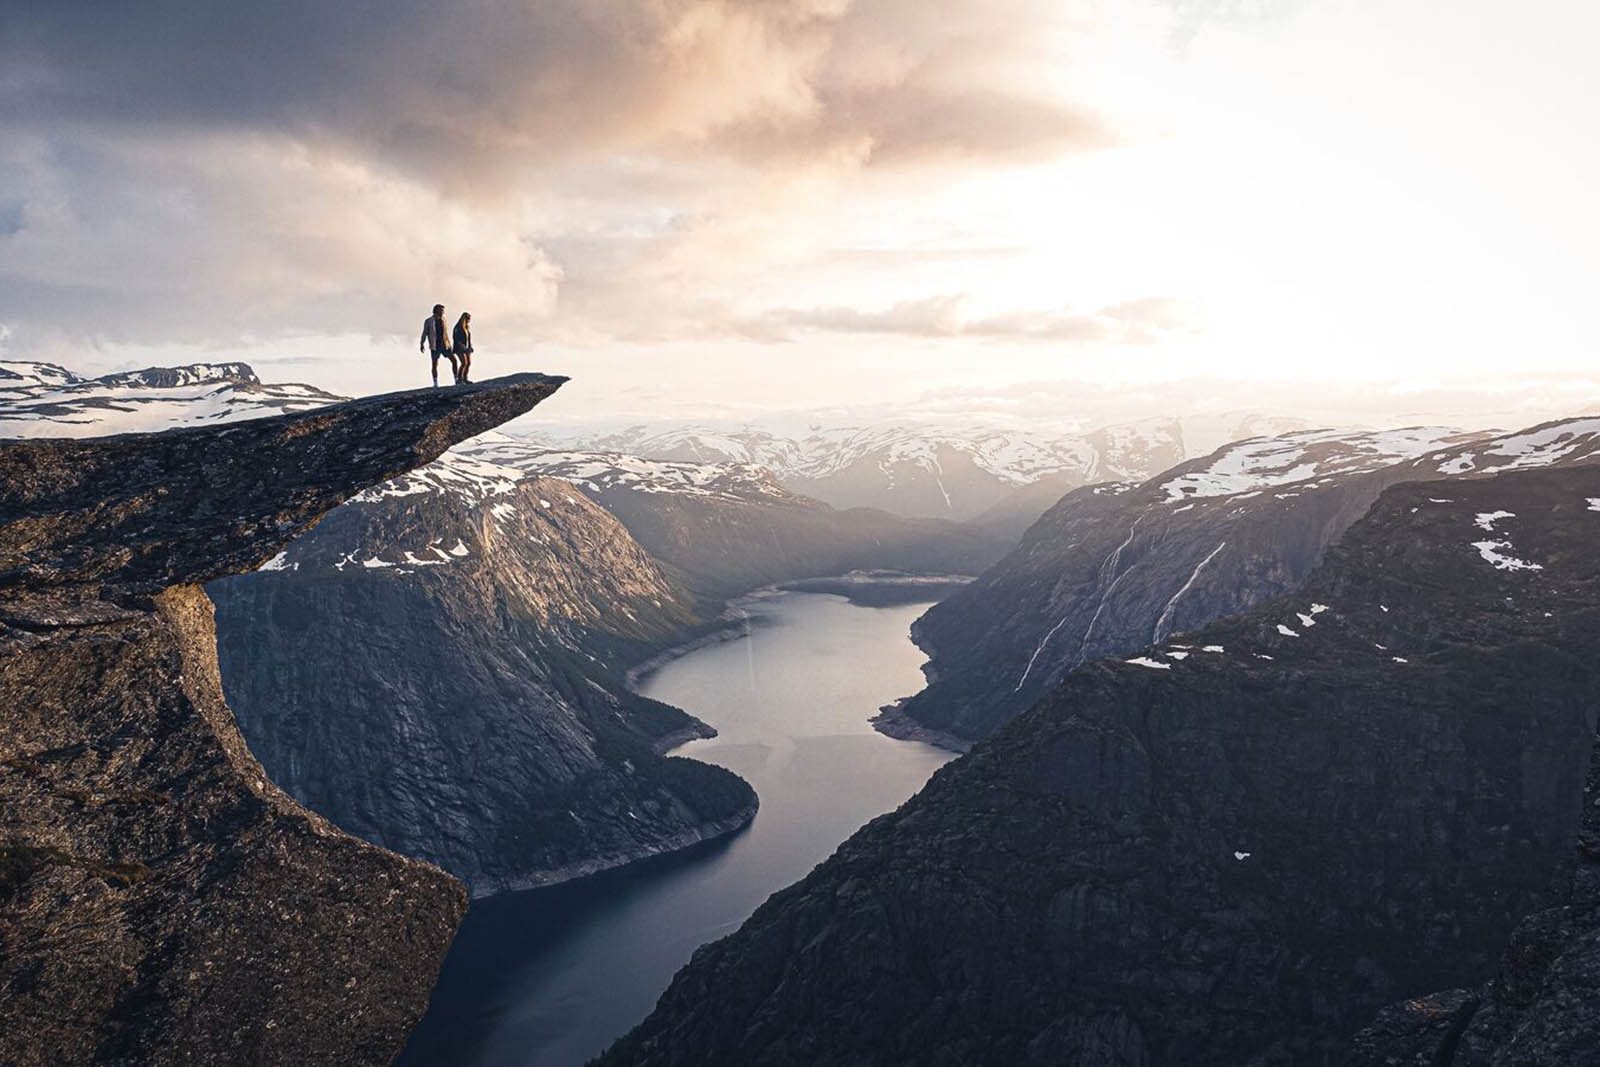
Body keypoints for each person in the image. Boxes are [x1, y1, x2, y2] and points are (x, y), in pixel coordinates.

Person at [419, 303, 458, 387]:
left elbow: (446, 333)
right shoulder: (429, 321)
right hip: (435, 345)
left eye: (443, 310)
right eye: (441, 310)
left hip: (445, 344)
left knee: (454, 360)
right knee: (435, 364)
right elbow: (425, 333)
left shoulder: (444, 320)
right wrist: (422, 343)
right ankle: (435, 383)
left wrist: (449, 343)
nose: (443, 312)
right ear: (436, 311)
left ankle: (456, 379)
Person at [452, 312, 474, 384]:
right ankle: (459, 379)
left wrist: (470, 347)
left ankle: (465, 378)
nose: (469, 321)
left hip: (467, 348)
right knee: (464, 363)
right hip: (459, 348)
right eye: (468, 319)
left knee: (468, 363)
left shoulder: (467, 327)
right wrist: (464, 348)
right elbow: (456, 339)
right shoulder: (458, 327)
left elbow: (468, 338)